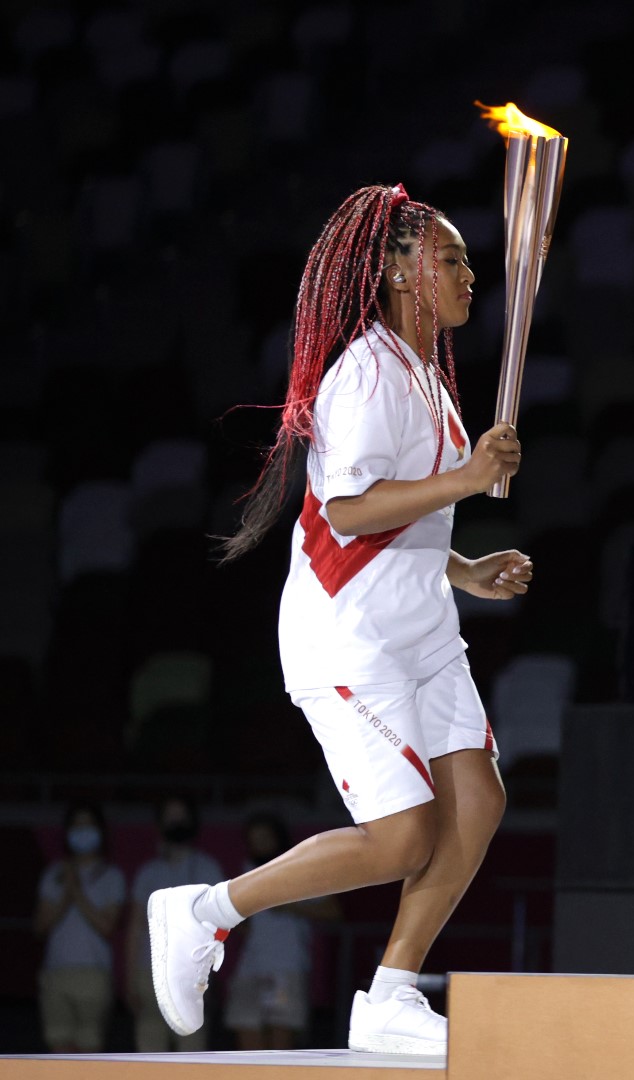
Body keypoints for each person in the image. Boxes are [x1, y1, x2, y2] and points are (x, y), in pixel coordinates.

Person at [145, 184, 532, 1056]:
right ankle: (204, 911)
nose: (469, 275)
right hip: (348, 638)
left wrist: (469, 570)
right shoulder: (361, 372)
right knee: (403, 837)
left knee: (477, 797)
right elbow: (352, 510)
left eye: (470, 260)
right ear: (398, 270)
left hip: (423, 626)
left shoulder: (427, 375)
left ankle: (391, 995)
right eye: (451, 259)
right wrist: (471, 481)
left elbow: (411, 522)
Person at [225, 812, 339, 1049]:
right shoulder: (245, 872)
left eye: (265, 837)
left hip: (287, 969)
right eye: (255, 839)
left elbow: (331, 910)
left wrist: (290, 906)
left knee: (281, 1045)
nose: (260, 844)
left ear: (278, 838)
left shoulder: (299, 871)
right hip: (251, 967)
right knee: (247, 1041)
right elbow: (237, 922)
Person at [126, 795, 224, 1051]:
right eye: (170, 817)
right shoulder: (148, 872)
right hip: (149, 973)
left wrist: (211, 976)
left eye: (181, 817)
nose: (176, 822)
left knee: (192, 1052)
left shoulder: (208, 868)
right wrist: (129, 978)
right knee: (149, 1052)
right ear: (159, 824)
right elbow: (135, 928)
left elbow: (221, 927)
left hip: (193, 971)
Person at [34, 802, 125, 1054]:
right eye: (77, 825)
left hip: (93, 975)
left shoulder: (111, 876)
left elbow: (107, 927)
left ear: (100, 831)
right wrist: (66, 891)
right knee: (59, 1047)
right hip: (56, 972)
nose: (82, 831)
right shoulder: (53, 874)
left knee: (89, 1050)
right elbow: (40, 926)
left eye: (88, 825)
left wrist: (75, 889)